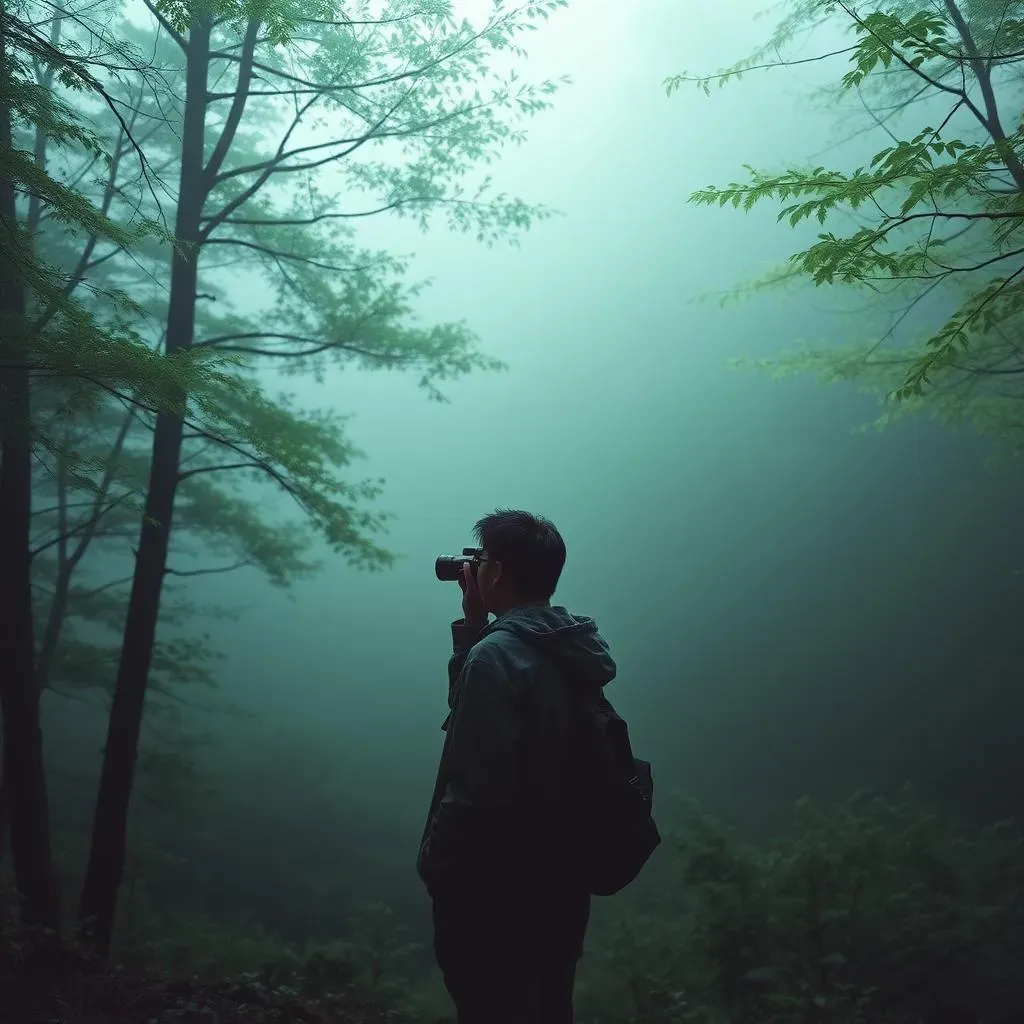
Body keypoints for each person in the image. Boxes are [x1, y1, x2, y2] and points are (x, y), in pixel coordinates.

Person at [417, 509, 618, 1024]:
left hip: (493, 892)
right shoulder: (569, 646)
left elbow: (476, 789)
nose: (472, 568)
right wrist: (475, 626)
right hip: (560, 880)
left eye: (479, 559)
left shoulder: (498, 656)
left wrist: (435, 864)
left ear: (498, 571)